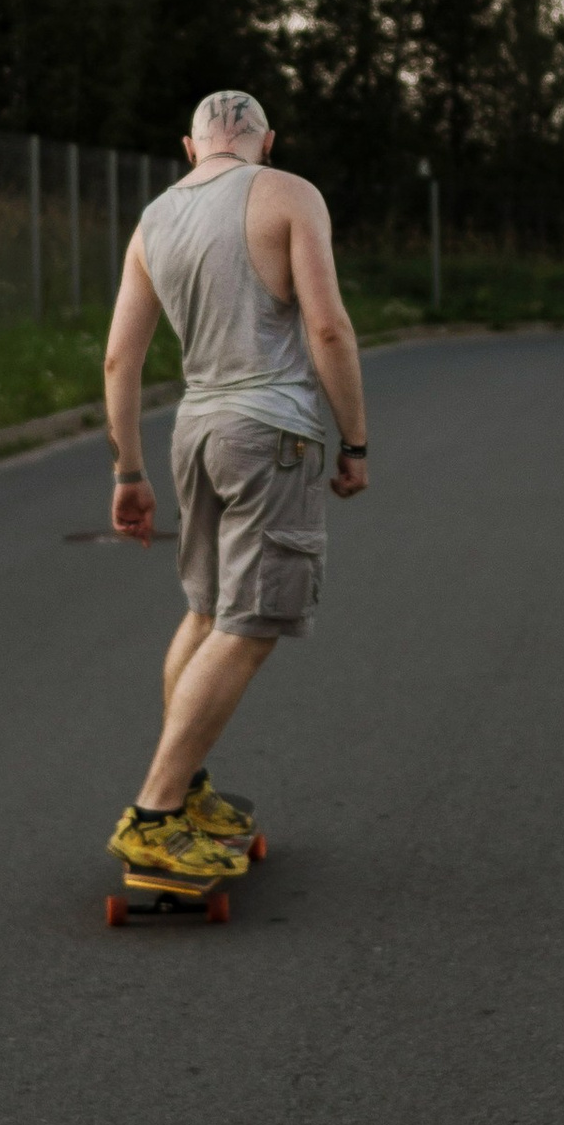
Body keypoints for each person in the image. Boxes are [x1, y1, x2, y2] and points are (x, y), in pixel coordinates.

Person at [100, 88, 368, 900]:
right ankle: (153, 815)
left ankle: (183, 793)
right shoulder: (287, 193)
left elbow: (119, 361)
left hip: (195, 432)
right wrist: (354, 440)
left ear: (190, 146)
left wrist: (129, 472)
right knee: (252, 625)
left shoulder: (155, 219)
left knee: (208, 612)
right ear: (265, 139)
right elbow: (327, 327)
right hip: (269, 435)